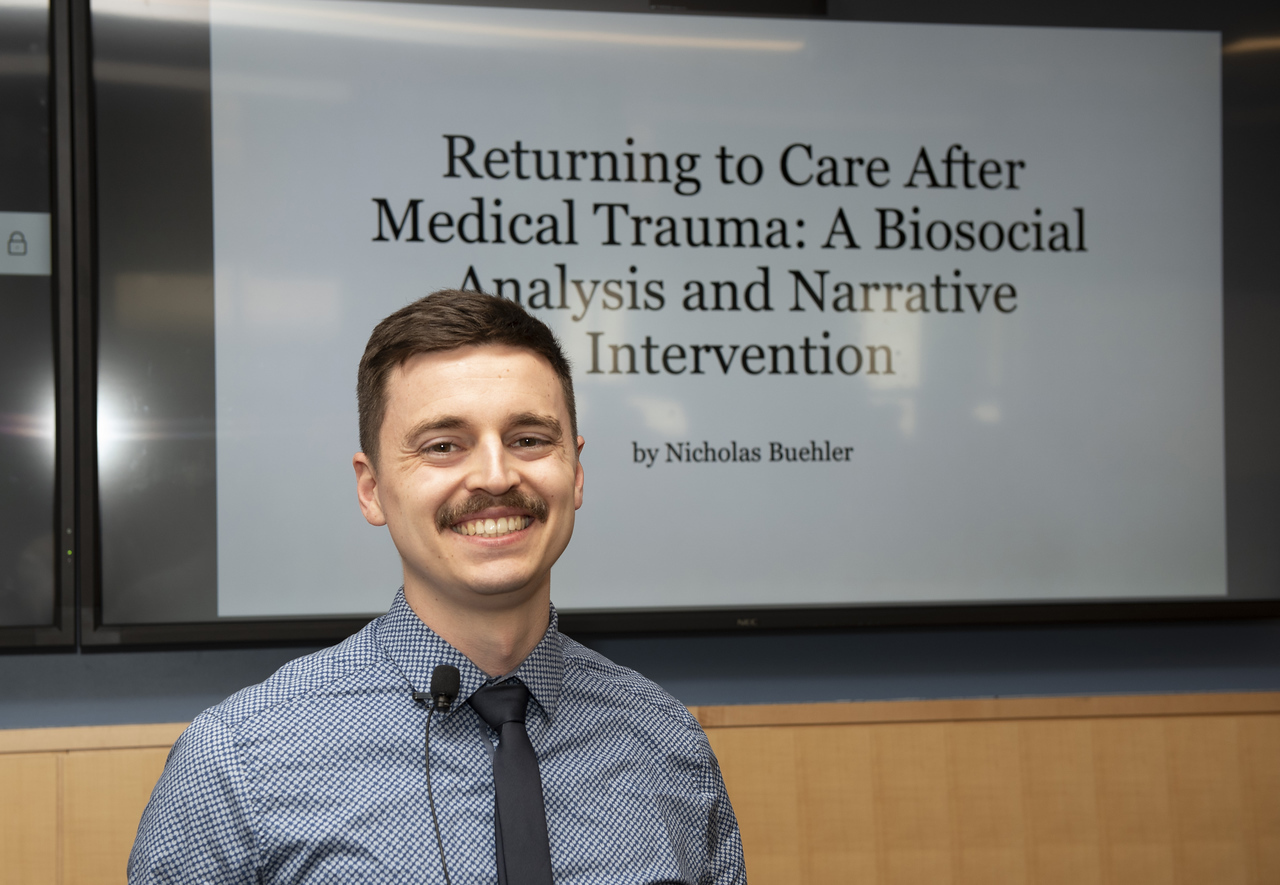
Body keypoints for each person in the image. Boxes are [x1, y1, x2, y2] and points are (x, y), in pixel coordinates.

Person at [128, 289, 746, 884]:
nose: (496, 475)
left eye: (529, 439)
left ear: (576, 474)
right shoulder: (240, 761)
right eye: (443, 446)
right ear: (371, 490)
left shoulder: (670, 744)